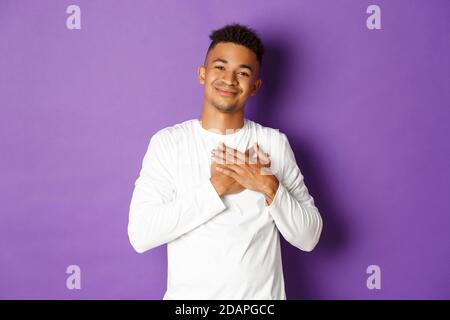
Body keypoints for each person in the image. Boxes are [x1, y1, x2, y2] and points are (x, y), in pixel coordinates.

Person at [127, 23, 323, 300]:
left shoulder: (273, 144)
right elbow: (141, 235)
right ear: (202, 74)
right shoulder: (169, 143)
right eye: (220, 67)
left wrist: (267, 185)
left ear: (255, 86)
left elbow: (309, 237)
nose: (230, 79)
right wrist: (215, 188)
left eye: (242, 73)